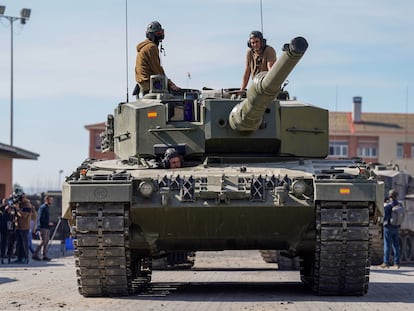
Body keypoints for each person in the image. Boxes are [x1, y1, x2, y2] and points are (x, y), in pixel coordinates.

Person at [134, 20, 180, 97]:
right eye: (158, 33)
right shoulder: (151, 47)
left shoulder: (144, 47)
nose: (160, 35)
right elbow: (158, 70)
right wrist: (170, 84)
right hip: (150, 86)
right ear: (152, 35)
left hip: (145, 85)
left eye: (161, 33)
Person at [380, 189, 401, 269]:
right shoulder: (399, 204)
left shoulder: (389, 205)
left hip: (388, 227)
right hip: (396, 227)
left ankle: (386, 263)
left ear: (390, 196)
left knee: (387, 246)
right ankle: (397, 263)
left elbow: (385, 217)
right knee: (396, 246)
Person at [33, 195, 54, 261]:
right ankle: (35, 254)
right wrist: (47, 223)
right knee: (43, 241)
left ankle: (44, 255)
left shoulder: (47, 208)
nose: (52, 201)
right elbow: (40, 218)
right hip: (42, 227)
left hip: (46, 227)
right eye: (50, 200)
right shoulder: (43, 207)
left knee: (46, 241)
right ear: (47, 200)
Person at [14, 194, 33, 264]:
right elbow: (17, 215)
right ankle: (19, 257)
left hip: (24, 227)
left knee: (24, 243)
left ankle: (26, 257)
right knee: (19, 243)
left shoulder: (27, 205)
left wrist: (18, 209)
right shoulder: (20, 204)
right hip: (18, 226)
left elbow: (24, 215)